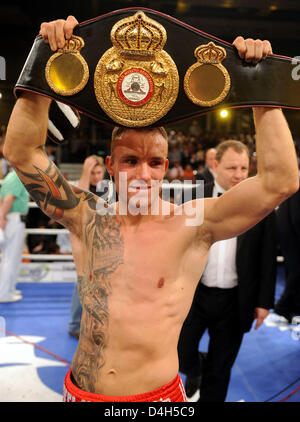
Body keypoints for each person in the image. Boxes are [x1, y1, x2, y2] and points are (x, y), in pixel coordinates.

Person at [3, 15, 299, 402]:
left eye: (155, 162)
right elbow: (21, 152)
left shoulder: (193, 223)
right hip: (81, 392)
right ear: (110, 166)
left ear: (166, 165)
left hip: (157, 399)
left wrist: (262, 86)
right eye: (130, 161)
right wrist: (44, 64)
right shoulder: (85, 216)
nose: (143, 173)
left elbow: (281, 181)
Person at [178, 140, 277, 402]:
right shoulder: (193, 194)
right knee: (180, 353)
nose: (239, 174)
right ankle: (195, 369)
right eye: (232, 167)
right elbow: (176, 245)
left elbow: (267, 257)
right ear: (215, 165)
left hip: (236, 300)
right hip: (194, 295)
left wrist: (264, 302)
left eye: (244, 168)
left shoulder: (261, 204)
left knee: (220, 370)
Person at [65, 154, 108, 339]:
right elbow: (77, 202)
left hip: (103, 240)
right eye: (93, 173)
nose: (96, 176)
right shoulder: (82, 186)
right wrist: (85, 171)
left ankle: (96, 323)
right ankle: (75, 324)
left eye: (99, 172)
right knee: (82, 280)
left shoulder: (109, 188)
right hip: (84, 241)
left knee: (102, 283)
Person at [0, 168, 29, 302]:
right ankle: (4, 293)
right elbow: (8, 199)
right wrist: (1, 217)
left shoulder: (9, 177)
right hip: (13, 219)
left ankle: (9, 289)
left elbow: (2, 198)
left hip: (12, 219)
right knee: (10, 257)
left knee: (11, 257)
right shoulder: (16, 176)